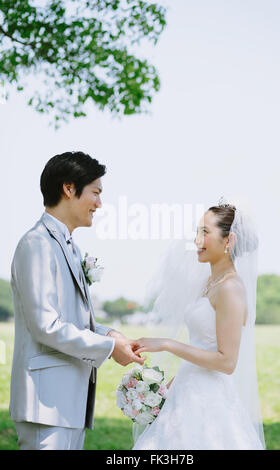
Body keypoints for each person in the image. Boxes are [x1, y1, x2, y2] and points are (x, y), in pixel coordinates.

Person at [9, 151, 144, 450]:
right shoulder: (37, 244)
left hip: (68, 404)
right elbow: (46, 325)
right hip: (44, 406)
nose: (99, 203)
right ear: (69, 189)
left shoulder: (69, 246)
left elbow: (73, 320)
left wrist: (110, 334)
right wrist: (110, 348)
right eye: (95, 193)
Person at [132, 202, 265, 450]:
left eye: (205, 232)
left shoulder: (230, 288)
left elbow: (226, 362)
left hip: (209, 402)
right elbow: (200, 345)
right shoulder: (209, 282)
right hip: (185, 392)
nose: (197, 241)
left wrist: (168, 344)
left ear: (230, 240)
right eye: (197, 232)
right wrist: (161, 390)